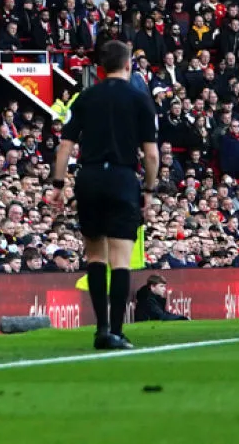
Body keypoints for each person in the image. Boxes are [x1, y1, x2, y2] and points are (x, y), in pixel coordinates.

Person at [51, 41, 159, 351]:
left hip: (90, 177)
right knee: (120, 261)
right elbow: (151, 155)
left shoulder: (85, 97)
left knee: (95, 256)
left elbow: (65, 146)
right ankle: (117, 330)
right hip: (122, 178)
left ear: (100, 67)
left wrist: (58, 184)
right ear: (128, 65)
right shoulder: (139, 99)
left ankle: (101, 329)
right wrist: (149, 190)